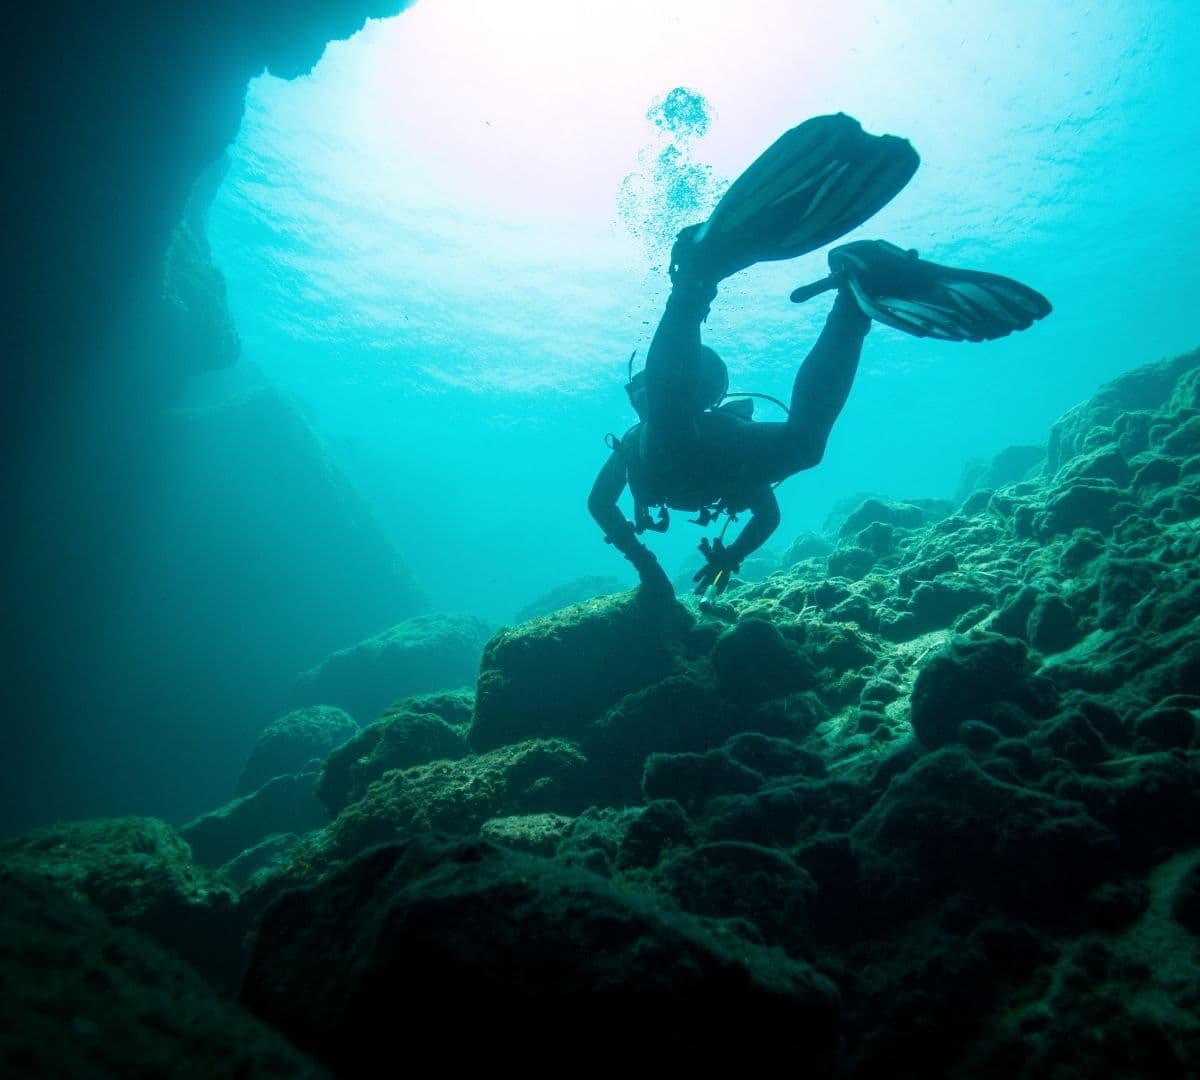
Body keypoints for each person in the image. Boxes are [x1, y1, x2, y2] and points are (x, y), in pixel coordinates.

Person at [588, 115, 1051, 601]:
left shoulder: (639, 442)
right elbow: (767, 514)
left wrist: (647, 567)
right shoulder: (655, 443)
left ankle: (695, 282)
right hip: (722, 449)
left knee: (667, 433)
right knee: (803, 448)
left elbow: (600, 504)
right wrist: (731, 557)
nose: (640, 396)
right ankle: (854, 301)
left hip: (697, 442)